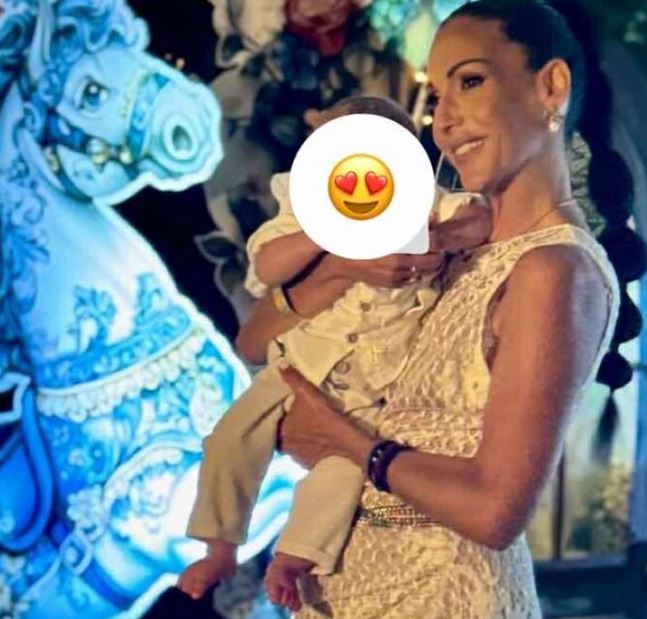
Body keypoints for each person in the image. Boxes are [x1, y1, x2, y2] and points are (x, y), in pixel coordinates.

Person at [251, 0, 647, 615]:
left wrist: (346, 441)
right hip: (351, 584)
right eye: (435, 96)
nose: (444, 121)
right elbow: (253, 339)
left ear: (551, 86)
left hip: (446, 592)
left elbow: (495, 513)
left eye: (470, 82)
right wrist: (344, 263)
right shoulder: (446, 246)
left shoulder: (555, 269)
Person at [177, 95, 493, 609]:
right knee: (230, 440)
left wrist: (439, 235)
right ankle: (220, 548)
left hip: (371, 384)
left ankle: (294, 558)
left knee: (344, 473)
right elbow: (267, 265)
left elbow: (479, 217)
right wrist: (329, 237)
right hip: (298, 364)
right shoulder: (308, 206)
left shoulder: (423, 203)